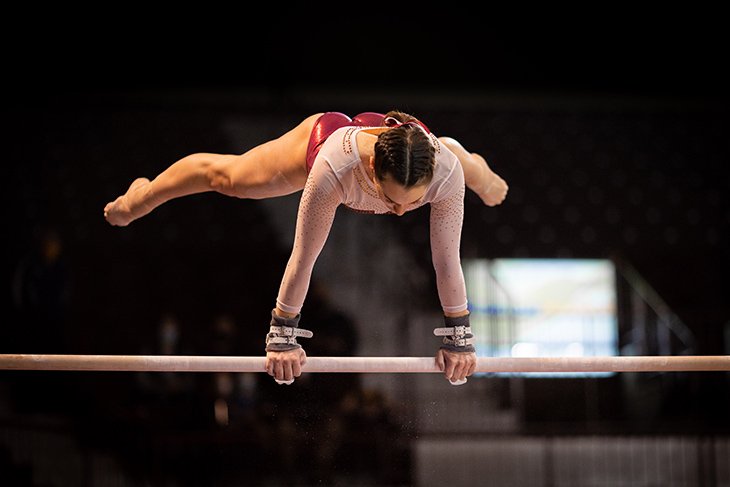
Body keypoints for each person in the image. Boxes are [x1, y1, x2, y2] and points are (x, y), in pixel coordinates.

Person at [104, 111, 508, 385]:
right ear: (371, 171)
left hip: (422, 148)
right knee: (228, 178)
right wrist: (282, 334)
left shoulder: (443, 174)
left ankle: (467, 159)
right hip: (324, 137)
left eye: (412, 201)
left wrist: (460, 337)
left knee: (458, 163)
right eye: (392, 199)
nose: (402, 212)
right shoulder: (336, 165)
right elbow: (304, 256)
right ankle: (141, 195)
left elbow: (445, 261)